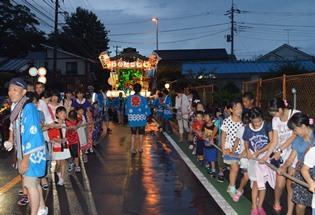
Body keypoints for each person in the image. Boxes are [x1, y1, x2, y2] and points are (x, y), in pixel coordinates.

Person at [8, 78, 48, 215]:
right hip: (26, 152)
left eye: (15, 89)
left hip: (32, 153)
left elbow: (33, 135)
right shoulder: (19, 107)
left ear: (24, 92)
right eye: (9, 90)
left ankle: (35, 212)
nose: (11, 92)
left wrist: (25, 158)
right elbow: (14, 128)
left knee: (30, 185)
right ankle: (42, 208)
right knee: (34, 183)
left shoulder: (28, 108)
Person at [264, 97, 299, 214]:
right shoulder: (275, 119)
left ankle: (289, 212)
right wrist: (267, 156)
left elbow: (293, 136)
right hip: (282, 153)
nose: (274, 116)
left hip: (295, 151)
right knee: (279, 183)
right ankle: (277, 201)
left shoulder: (295, 114)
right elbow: (274, 140)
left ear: (280, 109)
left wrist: (279, 149)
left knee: (290, 184)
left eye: (274, 113)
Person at [243, 107, 274, 215]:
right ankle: (254, 206)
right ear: (251, 120)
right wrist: (247, 151)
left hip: (264, 157)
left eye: (259, 121)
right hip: (253, 158)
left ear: (262, 118)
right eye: (255, 121)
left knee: (263, 184)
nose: (257, 123)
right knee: (255, 182)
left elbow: (272, 142)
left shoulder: (267, 125)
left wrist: (260, 152)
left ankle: (260, 206)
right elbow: (246, 141)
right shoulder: (247, 128)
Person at [281, 113, 313, 215]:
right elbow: (290, 159)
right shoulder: (298, 140)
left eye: (295, 129)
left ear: (303, 126)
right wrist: (284, 166)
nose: (294, 132)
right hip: (302, 172)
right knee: (300, 204)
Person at [221, 100, 243, 197]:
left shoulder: (243, 122)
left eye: (240, 108)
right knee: (235, 168)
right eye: (236, 108)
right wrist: (223, 148)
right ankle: (232, 187)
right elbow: (223, 135)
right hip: (229, 149)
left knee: (233, 168)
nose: (239, 110)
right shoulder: (227, 121)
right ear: (231, 110)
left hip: (240, 149)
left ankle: (230, 184)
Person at [48, 106, 71, 186]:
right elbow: (51, 136)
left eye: (64, 113)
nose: (63, 114)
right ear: (57, 115)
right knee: (57, 163)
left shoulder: (66, 123)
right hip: (57, 146)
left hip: (64, 145)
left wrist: (67, 138)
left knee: (63, 162)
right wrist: (59, 140)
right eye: (61, 113)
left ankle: (61, 178)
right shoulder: (54, 124)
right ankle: (58, 173)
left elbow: (69, 133)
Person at [125, 83, 151, 155]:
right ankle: (140, 148)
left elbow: (127, 108)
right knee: (141, 134)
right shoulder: (143, 99)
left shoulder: (129, 98)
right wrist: (148, 115)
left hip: (132, 118)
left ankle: (132, 148)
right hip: (141, 118)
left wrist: (127, 115)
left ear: (133, 89)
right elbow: (146, 108)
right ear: (140, 89)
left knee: (133, 134)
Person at [232, 111, 251, 202]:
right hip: (244, 159)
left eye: (248, 118)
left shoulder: (254, 130)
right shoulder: (241, 129)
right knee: (246, 176)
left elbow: (250, 144)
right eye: (245, 119)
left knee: (254, 178)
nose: (246, 121)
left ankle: (255, 196)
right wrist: (233, 151)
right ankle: (240, 190)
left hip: (253, 157)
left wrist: (243, 153)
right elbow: (237, 141)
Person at [203, 111, 217, 177]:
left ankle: (213, 170)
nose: (205, 118)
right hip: (205, 144)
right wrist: (203, 136)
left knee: (212, 158)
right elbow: (203, 133)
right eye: (204, 116)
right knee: (207, 156)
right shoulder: (204, 125)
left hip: (212, 146)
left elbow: (216, 135)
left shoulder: (214, 126)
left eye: (206, 116)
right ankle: (210, 168)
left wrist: (211, 138)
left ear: (211, 117)